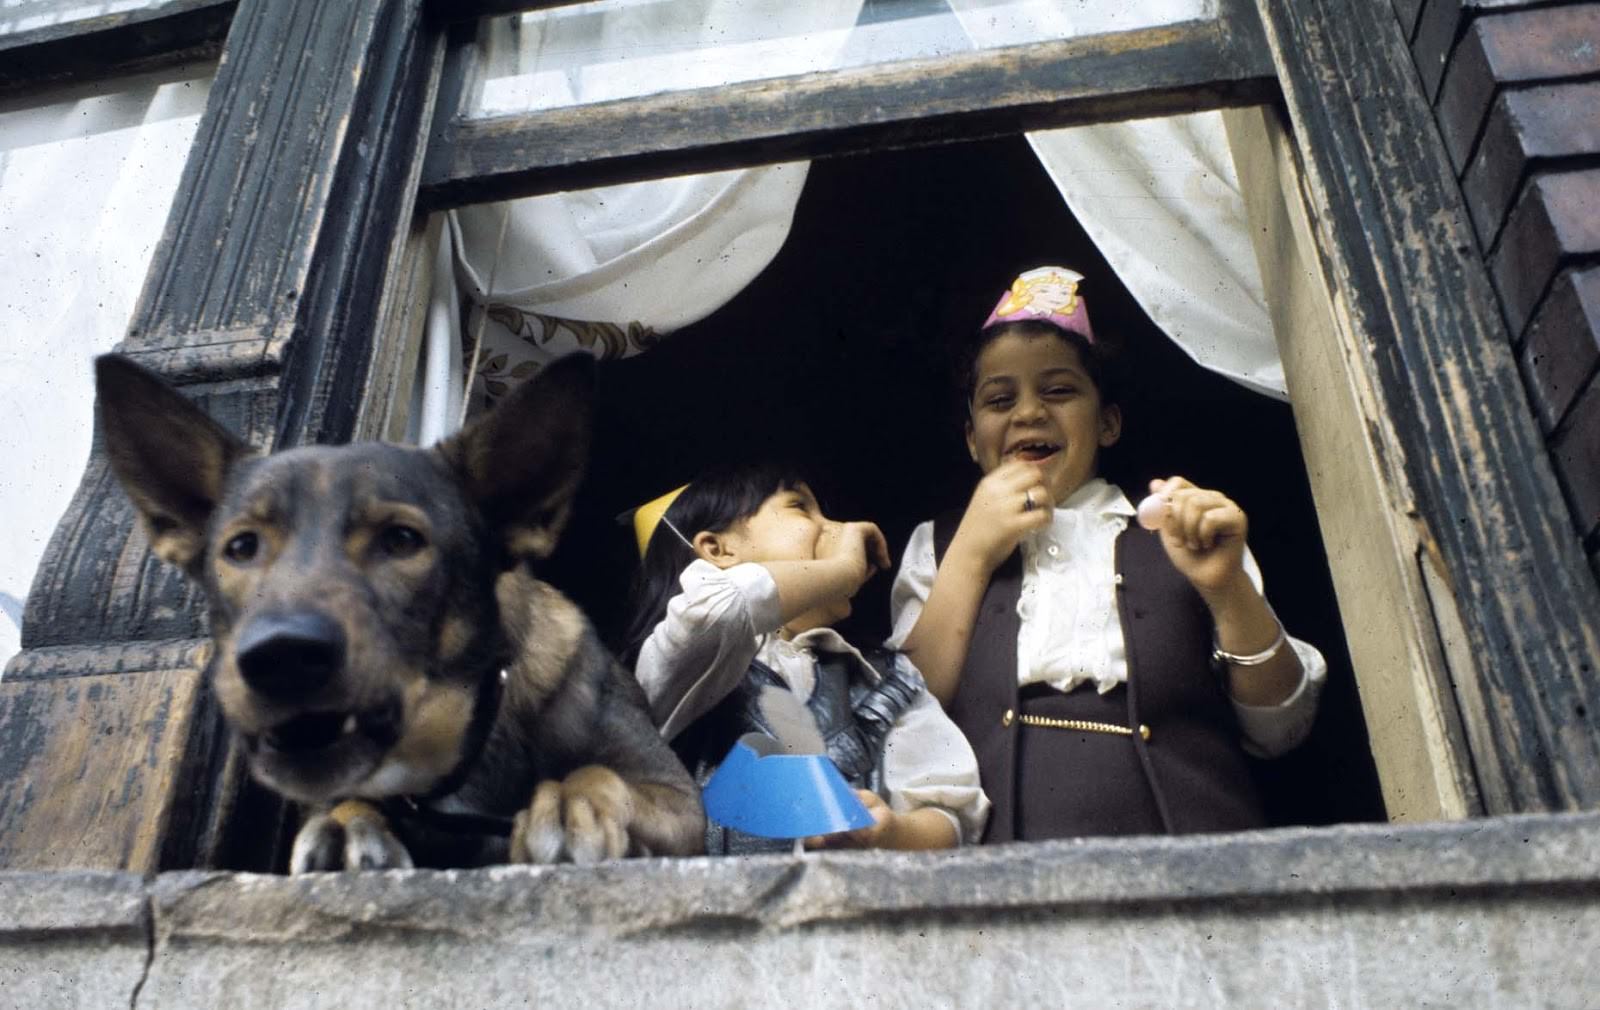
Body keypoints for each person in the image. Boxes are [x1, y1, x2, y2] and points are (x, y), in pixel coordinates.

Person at [889, 265, 1326, 843]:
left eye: (1059, 390)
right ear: (972, 439)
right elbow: (896, 721)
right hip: (1006, 878)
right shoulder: (938, 545)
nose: (1027, 413)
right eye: (999, 400)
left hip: (1193, 861)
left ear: (1108, 423)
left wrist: (1227, 589)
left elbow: (1281, 728)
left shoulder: (1179, 528)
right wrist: (969, 555)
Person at [621, 462, 989, 853]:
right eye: (800, 507)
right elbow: (721, 609)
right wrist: (843, 569)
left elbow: (951, 811)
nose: (836, 528)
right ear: (717, 549)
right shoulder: (676, 668)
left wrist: (890, 832)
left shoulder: (883, 679)